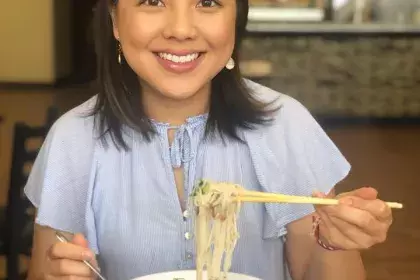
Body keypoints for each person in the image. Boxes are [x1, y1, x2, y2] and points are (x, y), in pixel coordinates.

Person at [24, 0, 394, 279]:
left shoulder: (285, 125)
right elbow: (49, 266)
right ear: (114, 22)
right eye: (152, 1)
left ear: (235, 19)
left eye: (207, 1)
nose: (181, 30)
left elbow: (315, 267)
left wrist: (334, 239)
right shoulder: (74, 138)